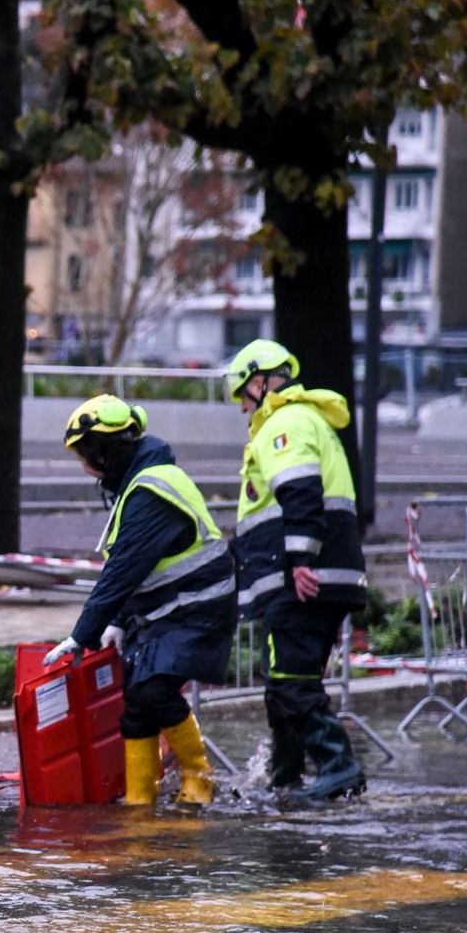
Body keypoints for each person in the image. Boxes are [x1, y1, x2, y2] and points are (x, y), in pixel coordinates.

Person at [41, 395, 235, 805]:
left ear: (105, 451)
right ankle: (139, 800)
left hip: (196, 608)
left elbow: (124, 568)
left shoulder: (151, 489)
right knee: (137, 704)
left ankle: (200, 778)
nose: (83, 466)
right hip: (170, 609)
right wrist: (118, 621)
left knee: (153, 693)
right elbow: (138, 567)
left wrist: (84, 634)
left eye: (84, 454)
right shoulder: (138, 482)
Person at [223, 338, 368, 800]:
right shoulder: (308, 421)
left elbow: (301, 491)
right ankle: (285, 776)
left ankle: (338, 766)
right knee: (285, 680)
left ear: (262, 382)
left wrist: (302, 560)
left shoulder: (283, 424)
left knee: (289, 680)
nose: (245, 409)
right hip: (321, 575)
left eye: (245, 397)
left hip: (301, 578)